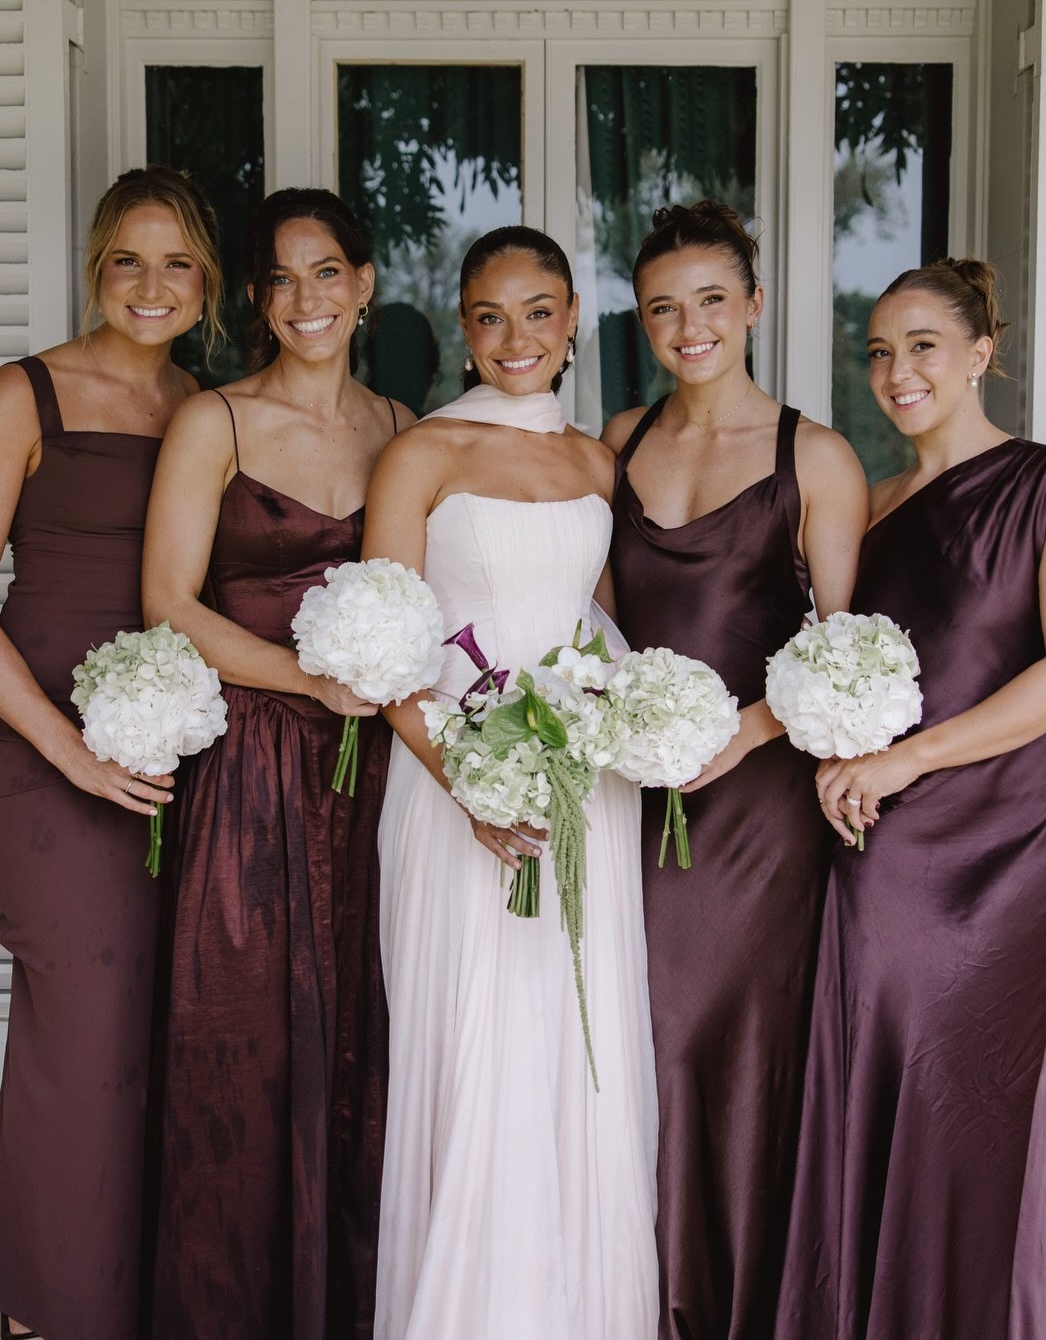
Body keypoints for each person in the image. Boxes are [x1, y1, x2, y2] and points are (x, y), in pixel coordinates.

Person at [782, 258, 1046, 1340]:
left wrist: (907, 760)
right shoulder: (871, 507)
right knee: (882, 1060)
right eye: (878, 351)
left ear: (981, 353)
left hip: (1010, 830)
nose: (896, 370)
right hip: (882, 831)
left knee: (975, 1087)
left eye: (922, 344)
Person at [0, 166, 221, 1340]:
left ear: (206, 283)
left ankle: (128, 1278)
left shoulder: (204, 404)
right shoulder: (25, 394)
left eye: (178, 263)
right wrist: (68, 753)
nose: (151, 286)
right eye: (128, 261)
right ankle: (52, 1306)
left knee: (164, 1008)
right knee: (84, 1002)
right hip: (38, 746)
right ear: (98, 267)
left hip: (173, 745)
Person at [364, 226, 659, 1340]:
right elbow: (383, 649)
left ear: (575, 317)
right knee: (476, 1043)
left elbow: (601, 626)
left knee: (575, 1046)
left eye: (538, 311)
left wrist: (629, 726)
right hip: (454, 788)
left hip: (583, 788)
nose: (514, 337)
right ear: (461, 327)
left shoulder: (596, 462)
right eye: (488, 315)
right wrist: (468, 784)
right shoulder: (423, 454)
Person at [143, 187, 408, 1340]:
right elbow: (165, 602)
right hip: (253, 760)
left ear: (365, 284)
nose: (307, 299)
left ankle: (341, 1301)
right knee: (241, 1032)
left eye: (328, 273)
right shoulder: (218, 422)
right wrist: (304, 680)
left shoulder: (403, 425)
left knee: (364, 1025)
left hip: (377, 770)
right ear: (259, 299)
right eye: (282, 279)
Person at [602, 201, 868, 1340]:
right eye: (663, 306)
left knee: (742, 1048)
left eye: (711, 299)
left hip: (758, 808)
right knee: (643, 1040)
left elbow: (844, 655)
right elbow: (592, 619)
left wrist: (744, 734)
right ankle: (649, 1296)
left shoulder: (815, 453)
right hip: (631, 793)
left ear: (753, 306)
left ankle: (746, 1305)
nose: (688, 324)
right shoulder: (615, 439)